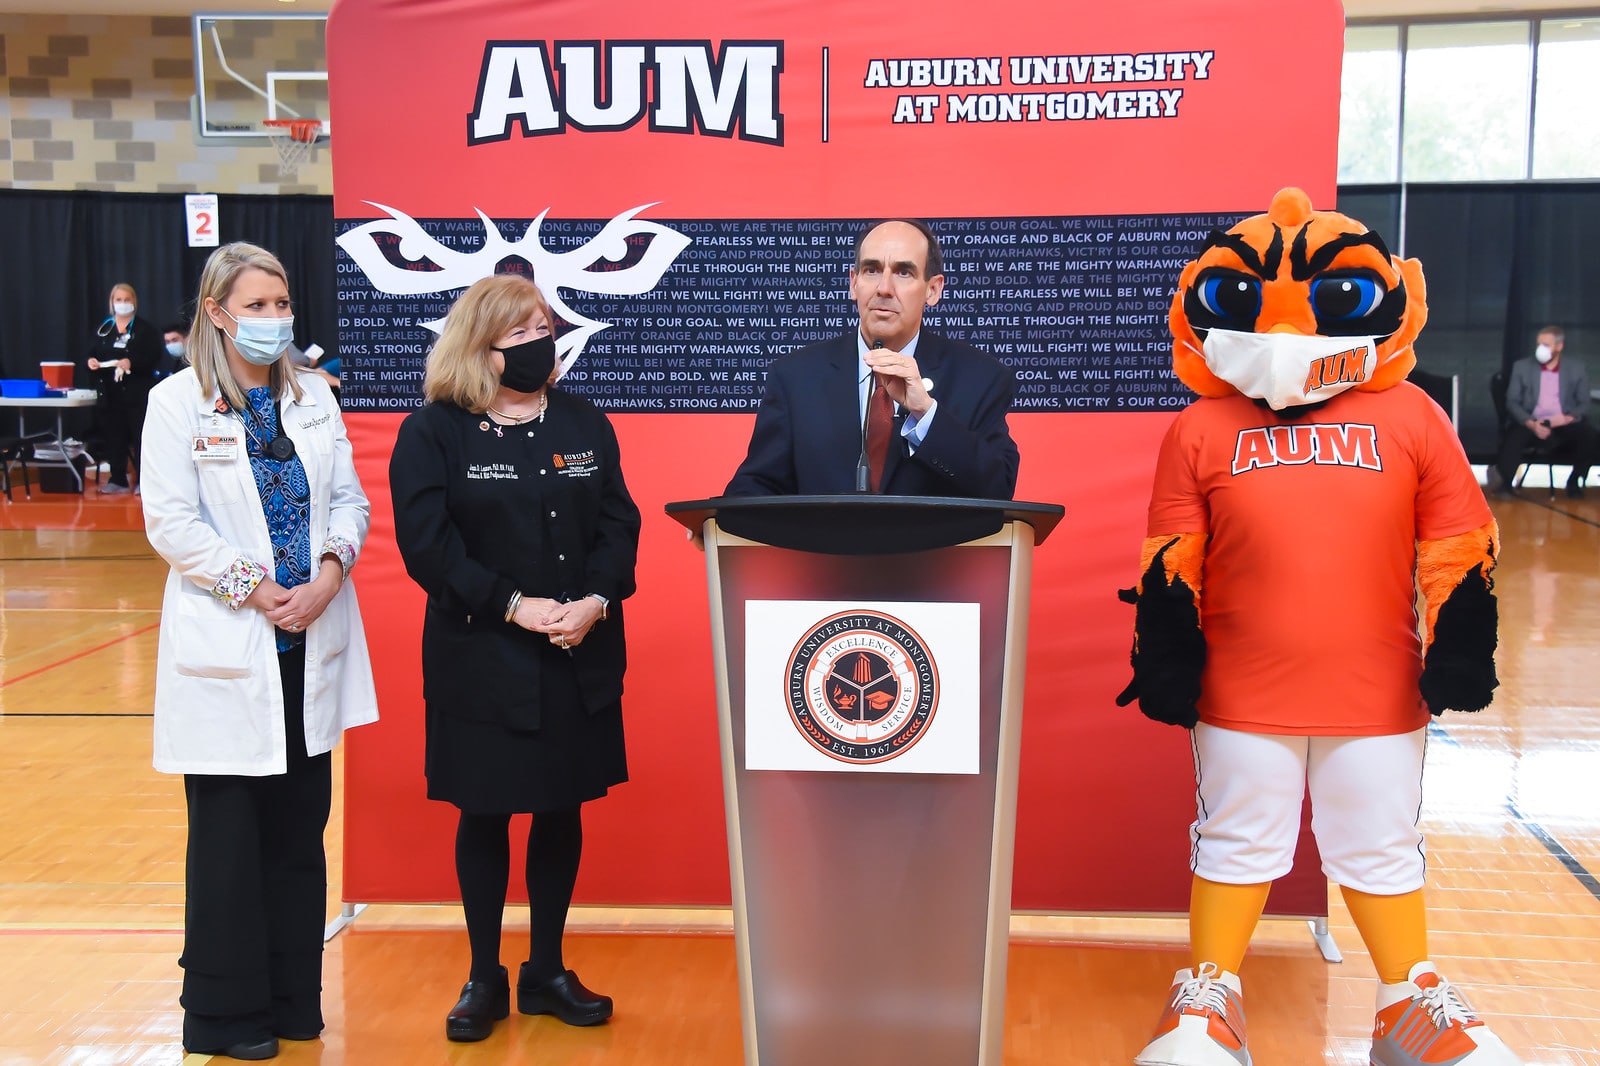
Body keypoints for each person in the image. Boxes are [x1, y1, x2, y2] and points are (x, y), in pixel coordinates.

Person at [140, 242, 379, 1061]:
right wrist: (256, 586)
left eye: (282, 305)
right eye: (258, 305)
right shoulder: (177, 403)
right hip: (232, 642)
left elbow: (348, 499)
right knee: (229, 839)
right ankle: (224, 1015)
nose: (275, 319)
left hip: (307, 636)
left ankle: (291, 1001)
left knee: (297, 828)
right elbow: (171, 523)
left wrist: (328, 571)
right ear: (216, 312)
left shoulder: (313, 396)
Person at [388, 273, 641, 1044]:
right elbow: (428, 548)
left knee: (561, 808)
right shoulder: (434, 430)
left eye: (545, 328)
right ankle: (484, 975)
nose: (543, 343)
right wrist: (513, 605)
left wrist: (596, 600)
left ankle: (547, 970)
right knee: (487, 810)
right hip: (483, 655)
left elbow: (618, 524)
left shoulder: (583, 419)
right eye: (523, 334)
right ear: (482, 348)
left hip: (577, 650)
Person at [724, 219, 1020, 498]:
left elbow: (997, 489)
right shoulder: (795, 376)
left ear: (933, 289)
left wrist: (926, 414)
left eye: (904, 272)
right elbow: (758, 484)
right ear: (854, 283)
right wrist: (717, 520)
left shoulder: (981, 378)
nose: (884, 288)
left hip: (934, 553)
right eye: (872, 270)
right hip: (823, 553)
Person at [1494, 325, 1599, 498]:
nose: (1540, 349)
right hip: (1531, 420)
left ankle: (1574, 482)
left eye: (1546, 344)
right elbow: (1512, 402)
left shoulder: (1576, 368)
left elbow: (1584, 404)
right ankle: (1505, 484)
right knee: (1513, 438)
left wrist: (1567, 418)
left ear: (1559, 346)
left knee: (1589, 436)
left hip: (1562, 421)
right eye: (1538, 344)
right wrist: (1531, 423)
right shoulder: (1522, 367)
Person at [84, 282, 162, 493]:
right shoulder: (104, 328)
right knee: (114, 436)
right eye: (119, 300)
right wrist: (92, 362)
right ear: (112, 303)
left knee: (140, 438)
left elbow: (154, 357)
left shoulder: (145, 330)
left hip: (137, 393)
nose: (123, 304)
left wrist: (132, 363)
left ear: (134, 302)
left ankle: (143, 482)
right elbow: (93, 352)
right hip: (110, 394)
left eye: (127, 299)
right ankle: (118, 479)